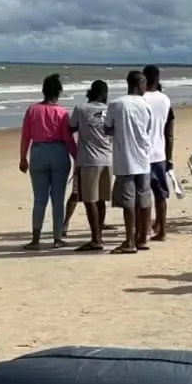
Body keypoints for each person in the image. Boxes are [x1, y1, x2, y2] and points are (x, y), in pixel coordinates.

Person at [18, 74, 76, 250]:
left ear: (44, 91)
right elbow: (68, 139)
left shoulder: (32, 110)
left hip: (38, 152)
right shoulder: (62, 112)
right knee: (57, 199)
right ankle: (57, 238)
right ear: (58, 93)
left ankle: (35, 239)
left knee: (39, 199)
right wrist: (77, 158)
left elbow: (26, 136)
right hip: (59, 152)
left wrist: (22, 158)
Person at [105, 71, 155, 254]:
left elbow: (108, 128)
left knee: (128, 202)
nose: (145, 88)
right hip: (143, 157)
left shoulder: (116, 104)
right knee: (144, 199)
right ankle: (142, 238)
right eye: (144, 84)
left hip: (125, 159)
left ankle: (129, 240)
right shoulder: (145, 105)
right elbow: (148, 128)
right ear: (138, 84)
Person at [68, 80, 113, 252]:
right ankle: (98, 235)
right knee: (101, 200)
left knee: (89, 200)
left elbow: (70, 127)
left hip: (88, 160)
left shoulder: (81, 109)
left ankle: (96, 239)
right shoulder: (109, 111)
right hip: (108, 159)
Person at [142, 66, 175, 241]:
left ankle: (146, 228)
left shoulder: (141, 99)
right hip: (160, 152)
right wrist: (169, 155)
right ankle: (162, 230)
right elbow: (169, 132)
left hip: (142, 154)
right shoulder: (165, 100)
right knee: (161, 194)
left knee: (143, 193)